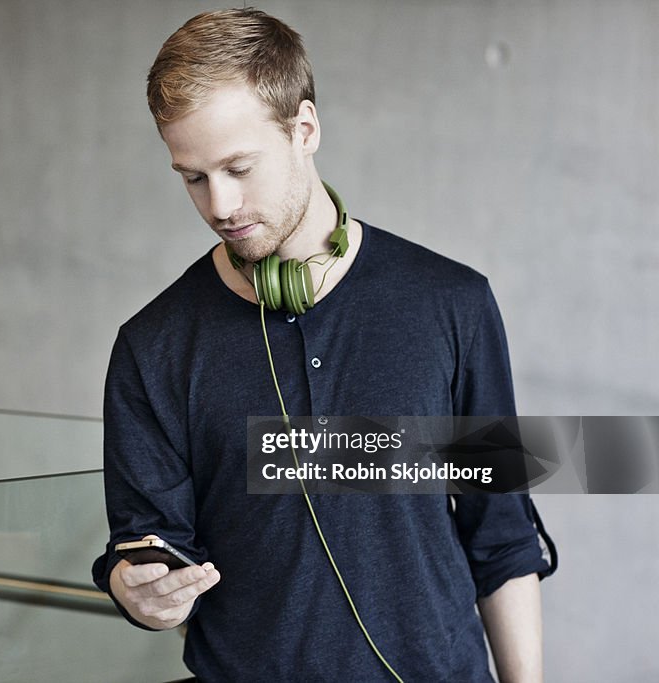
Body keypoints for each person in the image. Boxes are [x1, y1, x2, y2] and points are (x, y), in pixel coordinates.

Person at [92, 8, 555, 682]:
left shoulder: (452, 304)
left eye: (238, 167)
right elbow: (147, 543)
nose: (219, 204)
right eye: (193, 177)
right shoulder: (151, 347)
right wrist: (136, 587)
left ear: (304, 128)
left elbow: (502, 536)